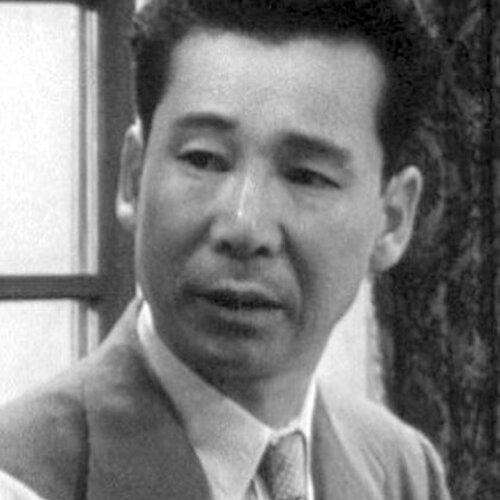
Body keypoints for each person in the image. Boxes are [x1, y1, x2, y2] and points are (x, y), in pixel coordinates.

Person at [0, 0, 452, 499]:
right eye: (204, 159)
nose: (244, 226)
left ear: (392, 220)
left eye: (307, 176)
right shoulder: (19, 479)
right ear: (132, 178)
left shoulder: (401, 468)